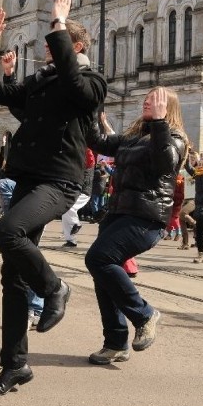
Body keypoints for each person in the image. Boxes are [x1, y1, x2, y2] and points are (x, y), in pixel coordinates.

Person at [0, 0, 107, 396]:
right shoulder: (41, 81)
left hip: (61, 182)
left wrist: (59, 24)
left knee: (5, 233)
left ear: (73, 45)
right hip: (30, 177)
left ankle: (55, 288)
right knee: (11, 275)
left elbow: (77, 90)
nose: (47, 49)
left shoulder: (89, 81)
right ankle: (15, 366)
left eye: (55, 42)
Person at [84, 88, 188, 365]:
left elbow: (164, 162)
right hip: (118, 213)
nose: (147, 101)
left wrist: (159, 122)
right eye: (147, 98)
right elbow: (97, 140)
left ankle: (144, 314)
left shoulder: (174, 138)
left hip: (147, 217)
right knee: (103, 275)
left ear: (168, 108)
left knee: (98, 258)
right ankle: (116, 342)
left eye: (155, 99)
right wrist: (89, 103)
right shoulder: (131, 138)